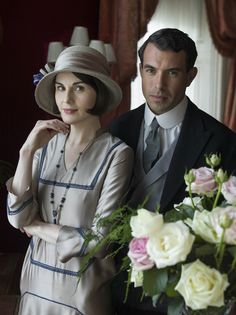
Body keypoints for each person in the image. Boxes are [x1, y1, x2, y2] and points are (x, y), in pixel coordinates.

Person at [110, 28, 236, 315]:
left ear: (191, 76)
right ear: (140, 70)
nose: (158, 84)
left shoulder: (222, 141)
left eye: (173, 73)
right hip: (112, 284)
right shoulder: (116, 130)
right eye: (151, 70)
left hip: (178, 293)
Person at [6, 45, 133, 315]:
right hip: (34, 290)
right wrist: (26, 151)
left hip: (82, 297)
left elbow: (98, 242)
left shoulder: (117, 154)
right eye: (60, 88)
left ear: (98, 93)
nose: (67, 99)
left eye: (79, 88)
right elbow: (17, 217)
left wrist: (38, 228)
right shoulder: (44, 147)